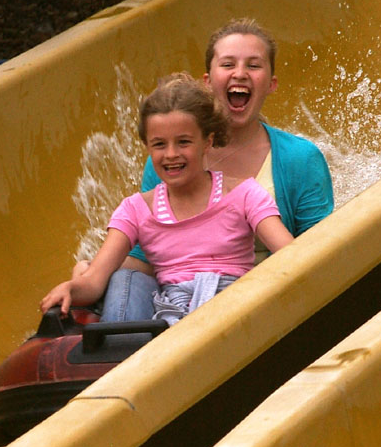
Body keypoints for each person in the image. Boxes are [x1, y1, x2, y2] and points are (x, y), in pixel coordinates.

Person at [75, 17, 334, 322]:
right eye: (228, 64)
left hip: (261, 295)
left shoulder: (299, 159)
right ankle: (119, 356)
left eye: (253, 65)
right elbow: (150, 254)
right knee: (122, 280)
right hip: (184, 297)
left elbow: (315, 253)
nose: (240, 73)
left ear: (271, 83)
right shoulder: (171, 160)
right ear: (208, 82)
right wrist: (93, 277)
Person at [41, 74, 293, 323]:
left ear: (208, 141)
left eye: (183, 142)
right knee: (123, 278)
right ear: (148, 147)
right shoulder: (136, 210)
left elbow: (290, 253)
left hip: (234, 309)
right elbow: (94, 281)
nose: (171, 154)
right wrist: (71, 289)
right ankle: (119, 357)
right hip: (174, 319)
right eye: (159, 145)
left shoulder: (244, 194)